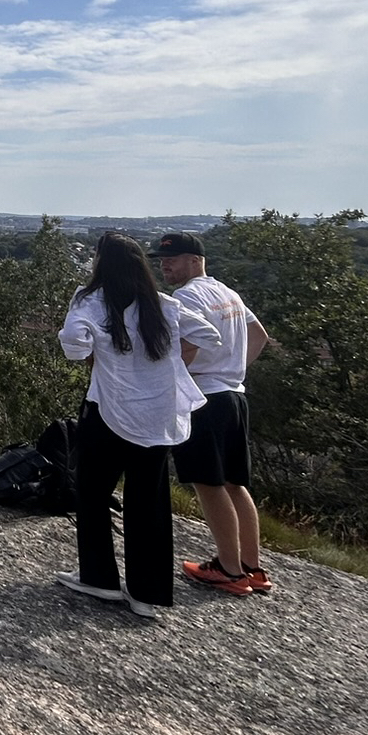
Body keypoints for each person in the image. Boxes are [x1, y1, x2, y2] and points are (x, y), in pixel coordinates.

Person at [55, 231, 223, 618]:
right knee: (149, 501)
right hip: (158, 415)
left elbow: (73, 346)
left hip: (109, 411)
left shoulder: (90, 300)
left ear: (101, 264)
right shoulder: (162, 304)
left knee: (93, 494)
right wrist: (169, 364)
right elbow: (210, 336)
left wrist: (99, 354)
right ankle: (147, 592)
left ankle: (99, 577)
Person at [157, 232, 273, 597]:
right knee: (234, 483)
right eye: (162, 259)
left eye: (173, 259)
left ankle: (228, 569)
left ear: (195, 260)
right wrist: (234, 369)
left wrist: (182, 378)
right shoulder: (228, 294)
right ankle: (252, 568)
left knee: (209, 484)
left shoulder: (186, 296)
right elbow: (260, 336)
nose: (165, 265)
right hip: (234, 395)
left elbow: (184, 345)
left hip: (205, 396)